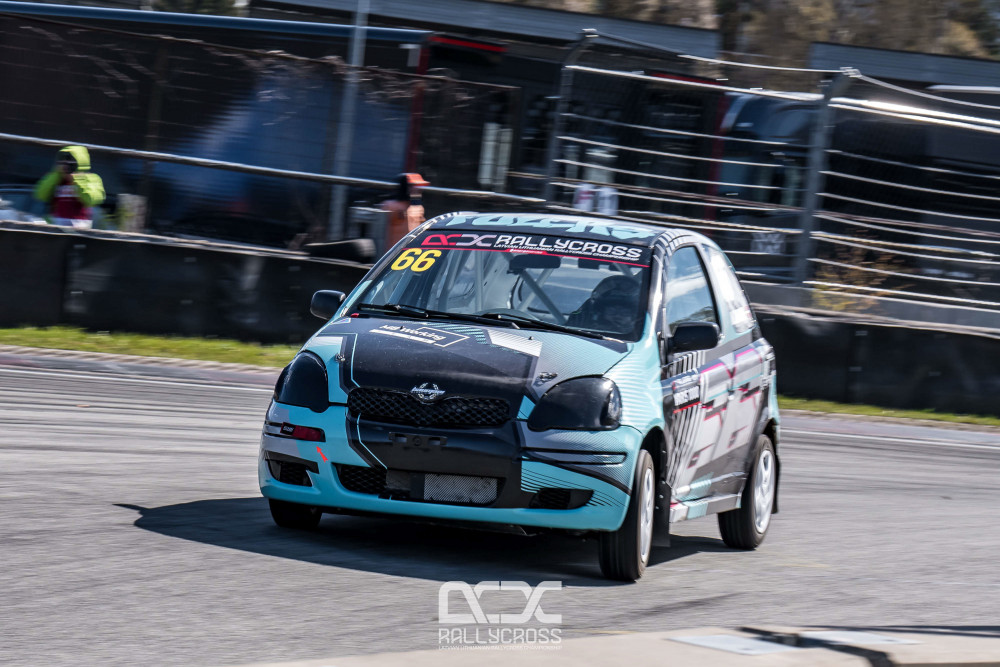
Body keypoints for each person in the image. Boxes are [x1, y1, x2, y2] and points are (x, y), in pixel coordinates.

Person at [33, 145, 105, 229]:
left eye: (69, 161)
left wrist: (77, 179)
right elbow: (40, 195)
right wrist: (56, 174)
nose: (65, 166)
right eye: (62, 161)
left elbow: (92, 200)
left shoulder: (90, 178)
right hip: (56, 226)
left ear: (79, 162)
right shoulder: (57, 178)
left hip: (79, 227)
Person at [382, 172, 428, 249]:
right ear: (405, 187)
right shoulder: (389, 206)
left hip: (411, 252)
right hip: (391, 252)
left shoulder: (419, 209)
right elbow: (381, 233)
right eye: (414, 186)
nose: (419, 189)